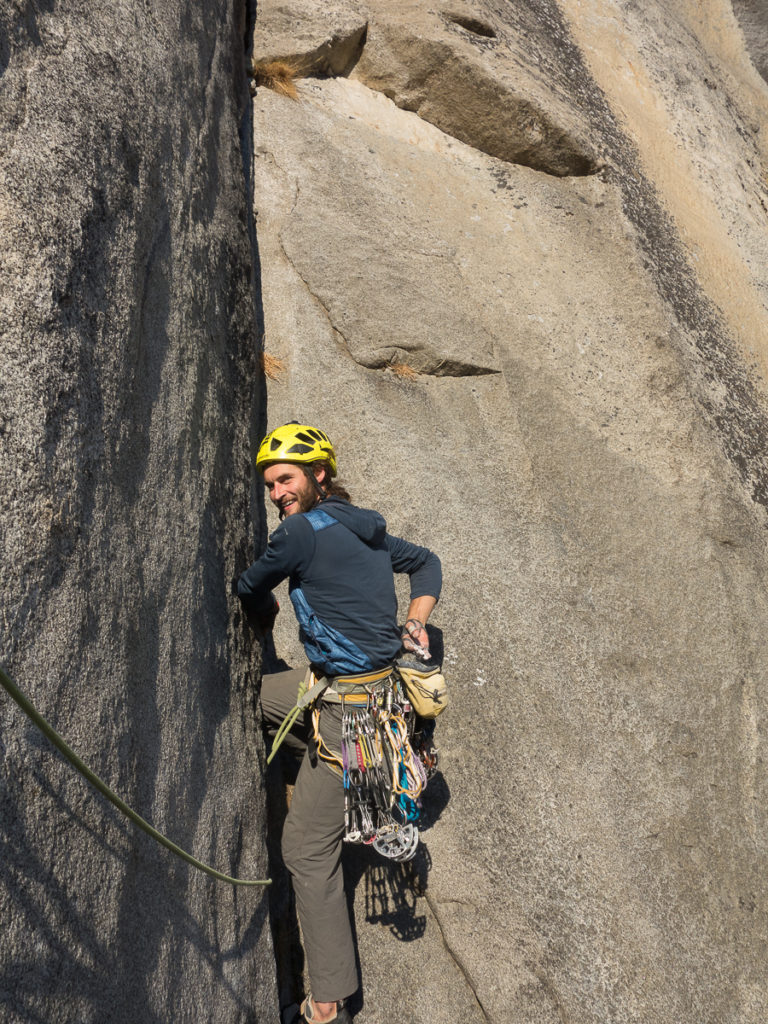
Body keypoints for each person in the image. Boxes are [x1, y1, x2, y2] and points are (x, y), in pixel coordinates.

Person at [237, 423, 441, 1024]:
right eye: (270, 484)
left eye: (287, 478)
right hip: (375, 704)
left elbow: (249, 585)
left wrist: (264, 605)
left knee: (303, 847)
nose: (277, 493)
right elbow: (426, 562)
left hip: (349, 718)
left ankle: (329, 1004)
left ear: (319, 475)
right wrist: (416, 620)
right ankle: (319, 764)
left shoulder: (299, 532)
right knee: (262, 695)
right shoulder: (367, 526)